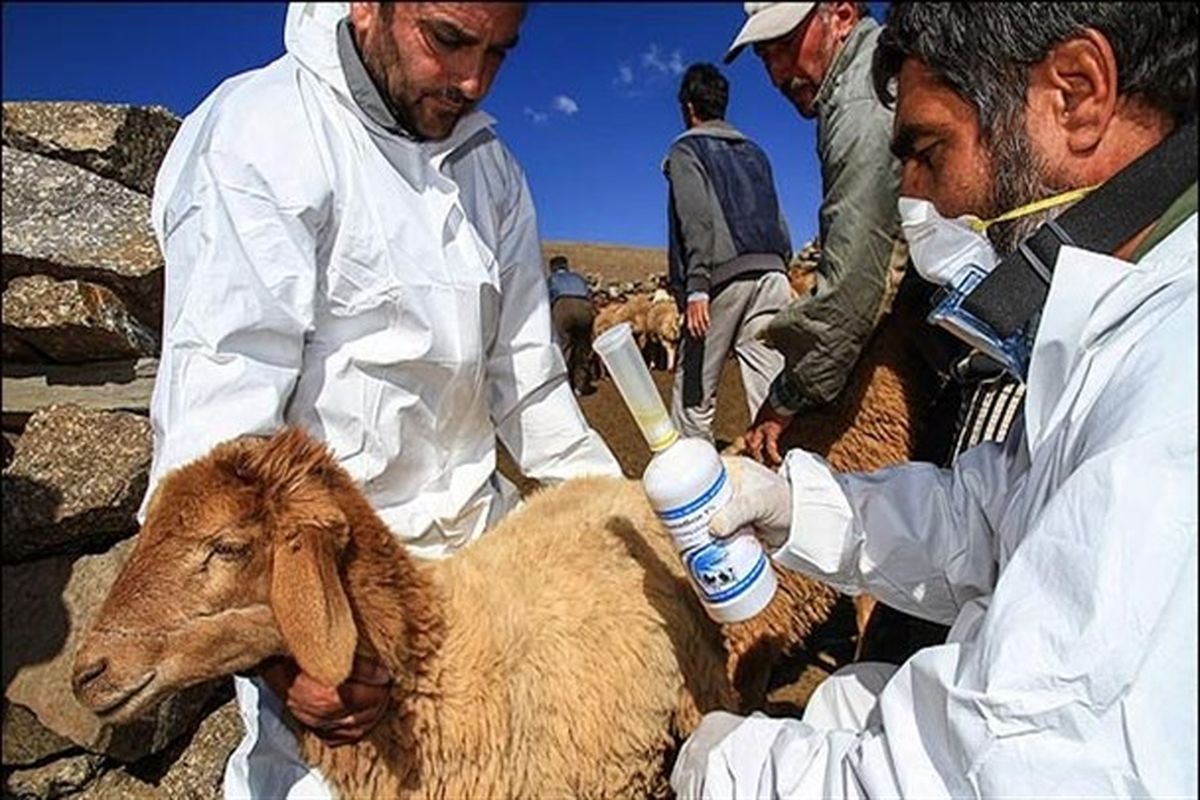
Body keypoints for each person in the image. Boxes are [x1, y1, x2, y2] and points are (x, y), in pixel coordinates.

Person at [673, 2, 1197, 797]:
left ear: (1077, 95)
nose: (914, 201)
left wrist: (733, 768)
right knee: (851, 696)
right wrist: (800, 508)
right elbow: (997, 518)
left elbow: (1015, 770)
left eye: (927, 150)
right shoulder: (1118, 324)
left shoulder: (1171, 407)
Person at [142, 2, 621, 796]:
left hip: (478, 587)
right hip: (337, 610)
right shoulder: (261, 136)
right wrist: (288, 651)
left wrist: (632, 518)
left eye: (499, 52)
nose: (473, 80)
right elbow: (217, 439)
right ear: (369, 6)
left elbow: (531, 385)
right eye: (448, 39)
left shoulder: (491, 170)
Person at [725, 2, 913, 467]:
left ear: (843, 14)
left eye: (784, 46)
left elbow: (857, 280)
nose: (775, 73)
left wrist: (789, 394)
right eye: (764, 56)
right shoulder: (878, 72)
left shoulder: (859, 103)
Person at [664, 62, 793, 444]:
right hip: (773, 274)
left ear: (689, 108)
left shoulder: (686, 149)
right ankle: (783, 471)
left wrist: (697, 285)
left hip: (723, 278)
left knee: (694, 391)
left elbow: (696, 217)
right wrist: (781, 268)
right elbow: (776, 213)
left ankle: (694, 483)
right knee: (768, 381)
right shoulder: (755, 152)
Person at [546, 254, 597, 395]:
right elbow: (589, 294)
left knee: (565, 345)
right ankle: (580, 386)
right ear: (566, 266)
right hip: (584, 307)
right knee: (583, 346)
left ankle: (565, 385)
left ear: (552, 268)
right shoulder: (578, 278)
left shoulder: (552, 279)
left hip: (563, 306)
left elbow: (548, 299)